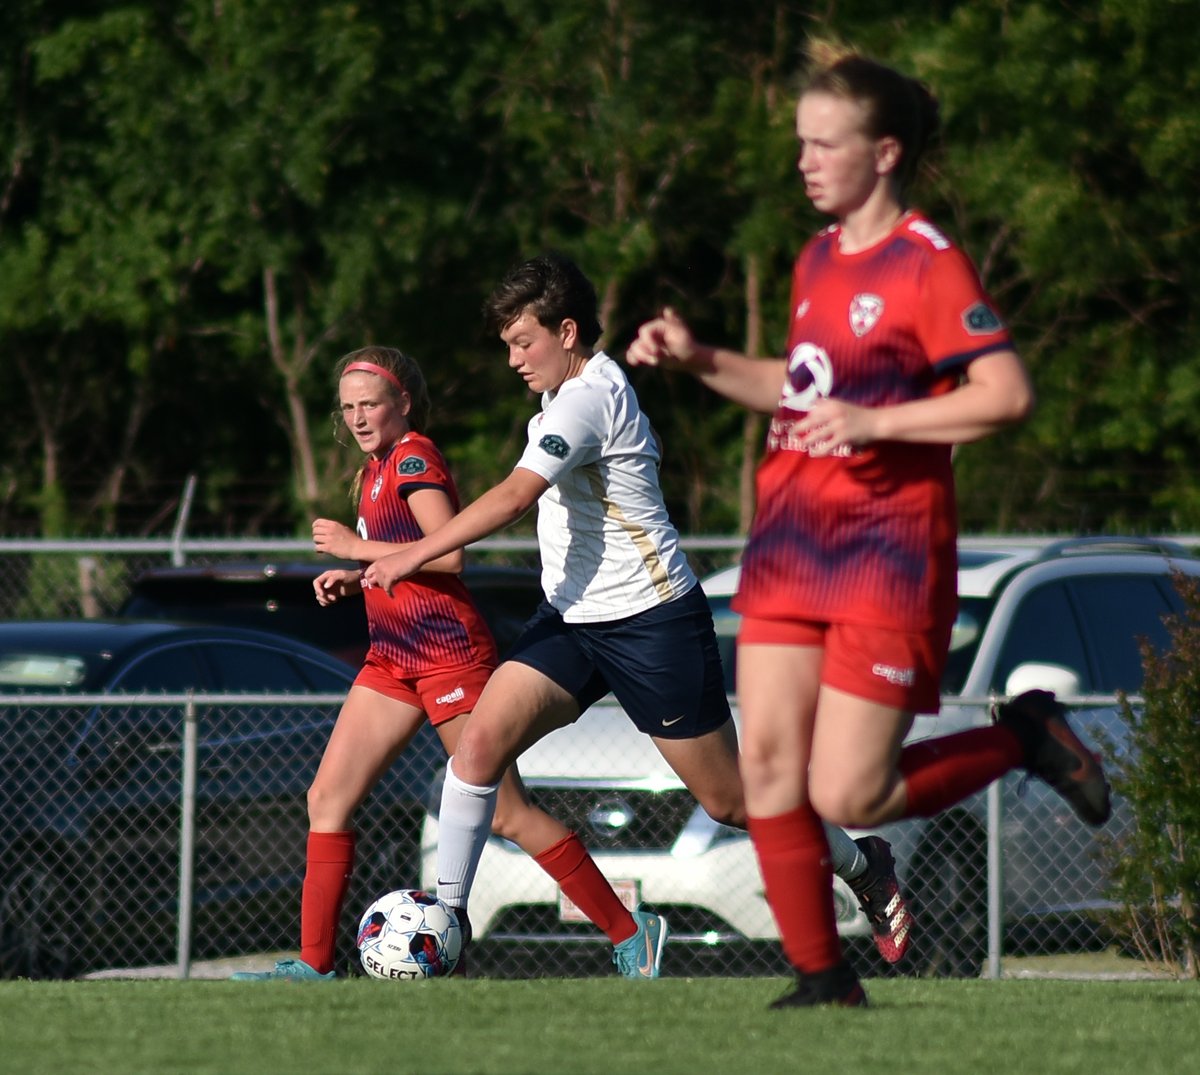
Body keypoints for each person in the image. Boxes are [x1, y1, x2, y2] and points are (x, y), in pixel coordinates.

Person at [627, 43, 1111, 1008]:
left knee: (852, 794)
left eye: (825, 144)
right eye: (801, 142)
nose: (805, 161)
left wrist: (878, 422)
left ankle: (1024, 737)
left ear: (885, 153)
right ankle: (823, 978)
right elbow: (800, 384)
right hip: (789, 544)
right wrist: (700, 357)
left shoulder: (928, 262)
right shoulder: (817, 256)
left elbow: (1005, 392)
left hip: (886, 554)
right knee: (768, 767)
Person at [363, 253, 915, 979]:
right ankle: (450, 926)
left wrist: (412, 554)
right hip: (571, 621)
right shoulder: (556, 401)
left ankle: (862, 862)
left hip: (651, 622)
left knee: (730, 801)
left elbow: (513, 497)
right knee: (477, 752)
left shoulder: (588, 398)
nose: (513, 359)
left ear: (567, 332)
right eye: (506, 345)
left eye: (523, 341)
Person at [231, 345, 660, 980]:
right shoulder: (376, 467)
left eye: (370, 404)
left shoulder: (412, 457)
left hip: (447, 657)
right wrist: (357, 577)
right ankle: (314, 966)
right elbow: (405, 557)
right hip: (391, 659)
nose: (357, 417)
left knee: (507, 813)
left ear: (403, 402)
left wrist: (354, 548)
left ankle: (631, 931)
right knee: (327, 798)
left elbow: (449, 554)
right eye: (347, 407)